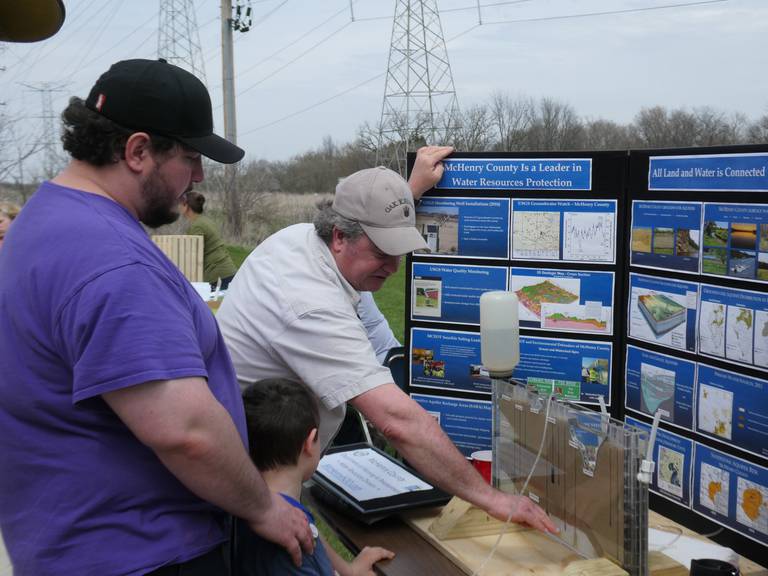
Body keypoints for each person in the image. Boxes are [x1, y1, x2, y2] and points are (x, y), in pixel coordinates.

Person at [0, 58, 313, 575]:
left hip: (66, 541)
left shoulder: (44, 219)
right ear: (139, 150)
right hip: (141, 551)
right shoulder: (112, 259)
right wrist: (262, 506)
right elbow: (185, 430)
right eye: (190, 157)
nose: (198, 176)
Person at [216, 150, 558, 534]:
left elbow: (368, 221)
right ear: (340, 237)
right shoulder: (309, 303)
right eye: (383, 252)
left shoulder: (307, 241)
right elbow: (396, 422)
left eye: (400, 252)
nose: (394, 268)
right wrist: (494, 499)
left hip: (263, 463)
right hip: (243, 486)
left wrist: (407, 192)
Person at [236, 378, 395, 576]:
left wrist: (349, 570)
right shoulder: (289, 537)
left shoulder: (253, 506)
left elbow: (311, 530)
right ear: (310, 443)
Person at [180, 190, 238, 289]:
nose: (179, 207)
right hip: (227, 272)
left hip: (218, 275)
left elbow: (193, 256)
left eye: (181, 204)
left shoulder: (196, 226)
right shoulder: (205, 221)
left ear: (186, 206)